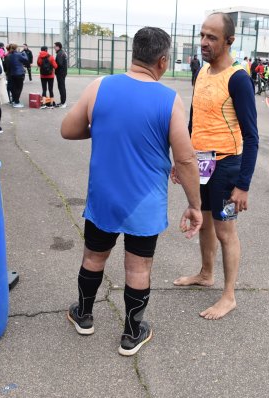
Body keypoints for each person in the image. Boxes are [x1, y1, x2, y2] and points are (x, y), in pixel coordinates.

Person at [60, 27, 202, 356]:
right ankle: (131, 333)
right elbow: (184, 158)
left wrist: (104, 130)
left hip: (104, 197)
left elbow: (69, 129)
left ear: (134, 54)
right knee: (138, 268)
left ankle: (84, 315)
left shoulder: (101, 86)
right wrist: (194, 204)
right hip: (144, 202)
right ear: (163, 61)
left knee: (94, 256)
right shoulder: (169, 99)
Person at [172, 12, 259, 320]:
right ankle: (206, 274)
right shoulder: (203, 72)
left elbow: (252, 136)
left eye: (212, 37)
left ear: (229, 41)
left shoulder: (238, 78)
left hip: (227, 167)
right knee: (204, 222)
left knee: (226, 231)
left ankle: (229, 295)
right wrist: (183, 161)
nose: (204, 43)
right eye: (202, 35)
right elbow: (196, 121)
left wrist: (243, 185)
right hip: (202, 165)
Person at [5, 43, 29, 107]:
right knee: (19, 88)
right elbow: (26, 59)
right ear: (16, 48)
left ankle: (14, 101)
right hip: (19, 74)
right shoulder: (18, 54)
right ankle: (16, 102)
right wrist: (24, 53)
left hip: (12, 74)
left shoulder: (9, 55)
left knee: (14, 88)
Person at [54, 42, 67, 107]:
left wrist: (53, 64)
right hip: (61, 73)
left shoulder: (60, 54)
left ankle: (63, 103)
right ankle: (62, 102)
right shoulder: (61, 53)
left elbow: (59, 64)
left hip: (60, 73)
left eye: (55, 46)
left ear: (58, 47)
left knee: (61, 87)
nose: (54, 48)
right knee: (61, 87)